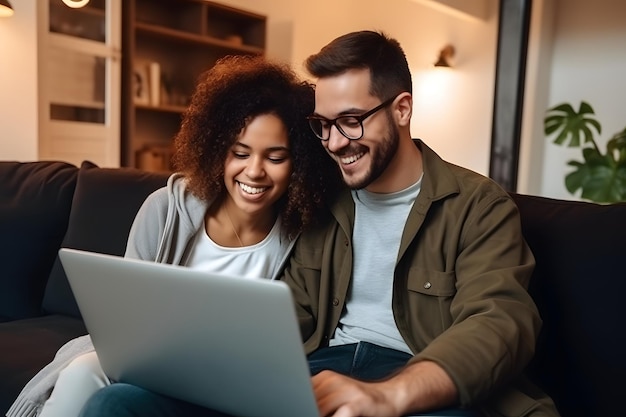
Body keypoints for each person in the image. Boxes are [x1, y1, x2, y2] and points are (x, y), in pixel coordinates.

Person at [77, 30, 560, 417]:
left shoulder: (477, 206)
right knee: (117, 403)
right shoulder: (320, 202)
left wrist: (390, 396)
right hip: (317, 373)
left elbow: (500, 322)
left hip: (424, 384)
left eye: (351, 120)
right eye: (323, 125)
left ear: (402, 109)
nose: (334, 142)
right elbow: (286, 311)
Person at [6, 54, 341, 417]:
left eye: (275, 157)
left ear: (299, 164)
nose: (254, 171)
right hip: (152, 366)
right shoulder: (165, 209)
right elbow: (124, 325)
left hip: (231, 381)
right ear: (216, 151)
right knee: (83, 371)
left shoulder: (304, 236)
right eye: (239, 153)